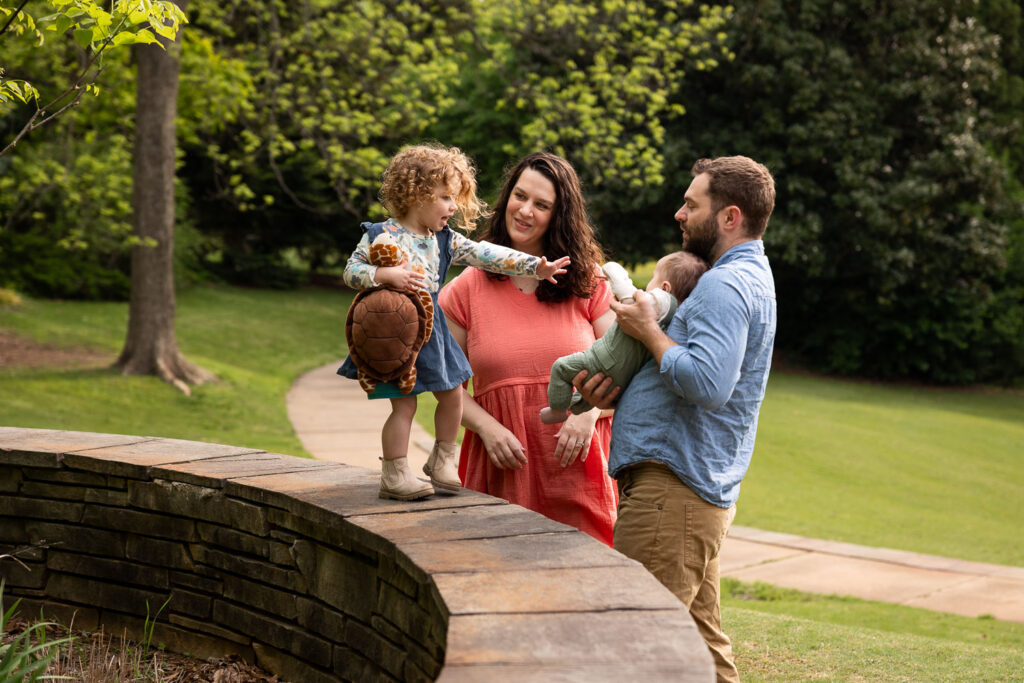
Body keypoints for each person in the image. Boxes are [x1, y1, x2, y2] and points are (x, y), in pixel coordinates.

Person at [576, 156, 777, 682]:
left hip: (675, 493)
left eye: (692, 204)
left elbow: (709, 385)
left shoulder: (724, 286)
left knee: (635, 649)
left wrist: (648, 330)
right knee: (702, 649)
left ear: (729, 217)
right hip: (689, 496)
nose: (679, 213)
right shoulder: (743, 277)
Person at [338, 144, 570, 501]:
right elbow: (351, 272)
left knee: (453, 393)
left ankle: (443, 459)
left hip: (433, 329)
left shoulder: (444, 240)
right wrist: (384, 274)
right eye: (446, 197)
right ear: (417, 194)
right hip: (395, 328)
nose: (453, 207)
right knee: (404, 404)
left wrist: (534, 265)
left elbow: (487, 254)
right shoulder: (380, 235)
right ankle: (395, 472)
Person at [439, 152, 618, 545]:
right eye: (520, 196)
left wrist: (588, 414)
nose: (525, 211)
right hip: (501, 470)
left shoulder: (590, 282)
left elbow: (628, 372)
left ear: (559, 215)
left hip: (580, 472)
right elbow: (445, 384)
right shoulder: (466, 289)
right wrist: (487, 428)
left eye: (542, 205)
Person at [540, 252, 708, 424]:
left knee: (561, 367)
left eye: (653, 278)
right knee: (587, 396)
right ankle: (573, 407)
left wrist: (612, 269)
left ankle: (557, 411)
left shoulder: (660, 300)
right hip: (623, 381)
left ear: (665, 287)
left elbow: (627, 295)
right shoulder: (675, 321)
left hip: (604, 360)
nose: (647, 285)